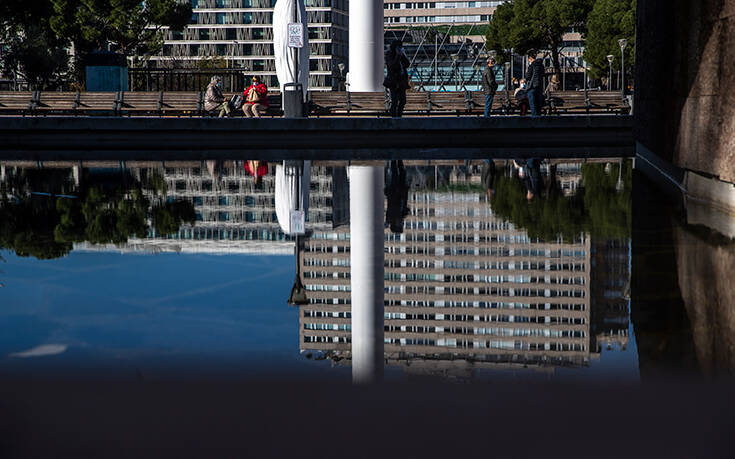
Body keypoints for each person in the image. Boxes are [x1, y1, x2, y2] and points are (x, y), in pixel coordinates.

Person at [384, 40, 410, 118]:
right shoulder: (389, 55)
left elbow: (407, 64)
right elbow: (392, 66)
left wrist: (403, 55)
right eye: (398, 47)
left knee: (403, 100)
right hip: (393, 81)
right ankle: (394, 116)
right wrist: (397, 56)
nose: (400, 49)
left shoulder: (401, 56)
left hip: (401, 81)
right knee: (394, 100)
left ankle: (399, 115)